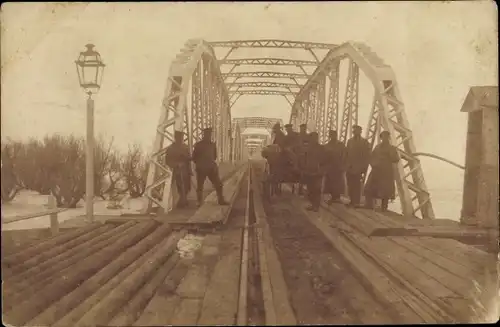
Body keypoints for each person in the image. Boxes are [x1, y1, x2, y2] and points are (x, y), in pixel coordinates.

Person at [364, 131, 400, 211]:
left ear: (388, 138)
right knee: (369, 187)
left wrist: (392, 155)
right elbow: (372, 156)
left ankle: (384, 207)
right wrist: (373, 164)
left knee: (385, 190)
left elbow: (396, 159)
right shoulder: (377, 147)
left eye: (386, 137)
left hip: (386, 172)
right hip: (376, 170)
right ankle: (369, 205)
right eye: (383, 137)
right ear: (381, 138)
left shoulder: (392, 148)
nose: (385, 139)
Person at [192, 127, 229, 207]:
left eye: (209, 134)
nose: (209, 136)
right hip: (209, 167)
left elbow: (194, 157)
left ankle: (200, 202)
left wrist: (199, 163)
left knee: (202, 185)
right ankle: (220, 200)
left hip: (204, 168)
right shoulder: (212, 145)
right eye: (208, 134)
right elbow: (214, 157)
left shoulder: (199, 145)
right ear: (205, 135)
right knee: (216, 185)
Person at [164, 131, 192, 208]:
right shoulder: (171, 148)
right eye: (179, 138)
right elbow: (167, 161)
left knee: (187, 187)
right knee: (180, 187)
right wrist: (176, 164)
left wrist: (186, 158)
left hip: (186, 170)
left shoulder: (185, 147)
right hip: (176, 171)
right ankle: (182, 203)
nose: (180, 139)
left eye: (181, 138)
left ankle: (182, 201)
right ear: (176, 138)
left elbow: (189, 158)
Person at [345, 125, 371, 208]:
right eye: (354, 131)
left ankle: (356, 202)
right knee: (350, 185)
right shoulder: (350, 141)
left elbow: (367, 156)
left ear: (360, 132)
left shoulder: (364, 142)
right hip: (350, 167)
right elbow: (346, 154)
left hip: (358, 168)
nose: (354, 132)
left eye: (356, 131)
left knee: (356, 185)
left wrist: (364, 168)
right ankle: (352, 201)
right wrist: (346, 165)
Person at [303, 132, 328, 212]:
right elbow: (305, 158)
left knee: (316, 189)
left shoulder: (321, 148)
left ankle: (316, 206)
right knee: (310, 189)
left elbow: (325, 160)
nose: (312, 140)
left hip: (317, 172)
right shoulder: (309, 148)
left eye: (313, 138)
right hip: (309, 171)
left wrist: (321, 169)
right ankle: (312, 204)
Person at [324, 130, 346, 204]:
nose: (332, 137)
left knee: (338, 182)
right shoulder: (327, 145)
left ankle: (337, 197)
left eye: (334, 135)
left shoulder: (341, 145)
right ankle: (333, 197)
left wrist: (343, 165)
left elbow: (345, 155)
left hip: (338, 166)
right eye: (331, 135)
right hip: (330, 167)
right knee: (331, 182)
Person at [297, 123, 309, 195]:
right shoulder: (298, 136)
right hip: (299, 155)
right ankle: (301, 188)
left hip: (305, 155)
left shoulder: (307, 137)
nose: (302, 130)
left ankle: (302, 188)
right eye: (301, 128)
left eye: (304, 128)